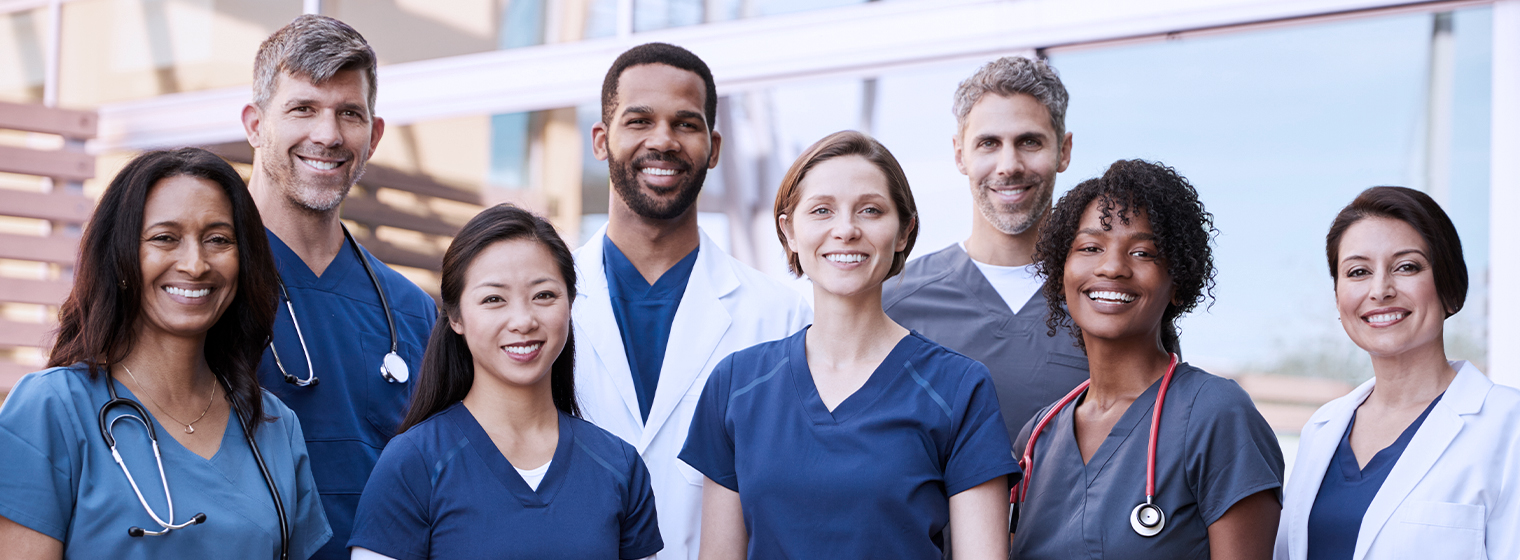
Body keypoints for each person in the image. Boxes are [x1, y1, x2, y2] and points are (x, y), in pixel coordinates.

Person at [681, 130, 1018, 559]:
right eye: (822, 210)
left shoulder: (958, 387)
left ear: (903, 231)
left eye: (871, 211)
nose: (846, 230)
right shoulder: (735, 384)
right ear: (789, 232)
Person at [0, 148, 329, 559]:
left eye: (218, 240)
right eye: (164, 238)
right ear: (121, 256)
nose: (195, 264)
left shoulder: (275, 427)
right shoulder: (51, 409)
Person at [574, 42, 812, 559]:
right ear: (600, 140)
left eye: (686, 124)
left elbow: (796, 490)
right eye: (639, 120)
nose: (663, 141)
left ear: (715, 146)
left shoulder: (783, 317)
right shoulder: (544, 305)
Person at [347, 204, 663, 560]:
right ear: (456, 317)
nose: (523, 320)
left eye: (544, 295)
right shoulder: (412, 463)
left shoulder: (619, 465)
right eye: (494, 299)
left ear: (570, 302)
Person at [1010, 159, 1283, 559]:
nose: (1113, 267)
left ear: (1177, 282)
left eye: (1143, 252)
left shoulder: (1216, 415)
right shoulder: (1037, 438)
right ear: (1061, 271)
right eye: (1090, 248)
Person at [239, 15, 437, 560]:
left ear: (373, 136)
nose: (327, 134)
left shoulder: (413, 312)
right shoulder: (206, 284)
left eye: (348, 113)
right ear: (256, 125)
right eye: (303, 108)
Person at [1273, 187, 1520, 560]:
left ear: (1449, 288)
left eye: (1407, 267)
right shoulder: (1322, 428)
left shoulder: (1508, 425)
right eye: (1358, 272)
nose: (1380, 290)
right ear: (1339, 299)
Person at [883, 56, 1089, 437]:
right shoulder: (894, 304)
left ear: (1064, 150)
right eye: (988, 143)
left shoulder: (1108, 297)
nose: (1008, 164)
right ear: (960, 154)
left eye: (1029, 142)